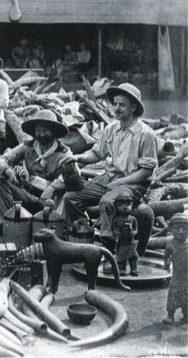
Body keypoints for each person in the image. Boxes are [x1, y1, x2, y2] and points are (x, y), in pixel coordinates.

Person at [62, 83, 157, 271]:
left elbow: (146, 172)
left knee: (107, 201)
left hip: (134, 182)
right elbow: (97, 154)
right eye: (115, 104)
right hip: (111, 178)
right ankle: (85, 241)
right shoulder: (111, 129)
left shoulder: (146, 134)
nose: (116, 109)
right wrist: (79, 157)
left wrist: (121, 182)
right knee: (71, 198)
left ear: (133, 107)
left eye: (122, 105)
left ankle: (109, 249)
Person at [0, 109, 71, 216]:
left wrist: (53, 187)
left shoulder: (63, 152)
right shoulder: (28, 146)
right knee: (0, 178)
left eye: (45, 130)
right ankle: (7, 219)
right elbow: (0, 160)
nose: (42, 134)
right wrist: (7, 170)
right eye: (38, 130)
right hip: (29, 194)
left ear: (54, 131)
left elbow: (74, 174)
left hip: (51, 200)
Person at [162, 213, 187, 325]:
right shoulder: (170, 245)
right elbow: (166, 257)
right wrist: (166, 265)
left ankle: (186, 315)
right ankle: (170, 315)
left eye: (185, 228)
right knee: (173, 295)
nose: (181, 231)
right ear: (171, 229)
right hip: (176, 276)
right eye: (177, 228)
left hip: (187, 277)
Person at [113, 192, 139, 276]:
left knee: (133, 256)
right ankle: (122, 269)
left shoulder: (132, 219)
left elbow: (136, 229)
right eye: (121, 205)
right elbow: (114, 229)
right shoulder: (116, 219)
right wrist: (117, 232)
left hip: (130, 241)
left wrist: (133, 232)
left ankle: (134, 269)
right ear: (116, 206)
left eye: (127, 204)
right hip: (122, 242)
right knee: (121, 256)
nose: (124, 207)